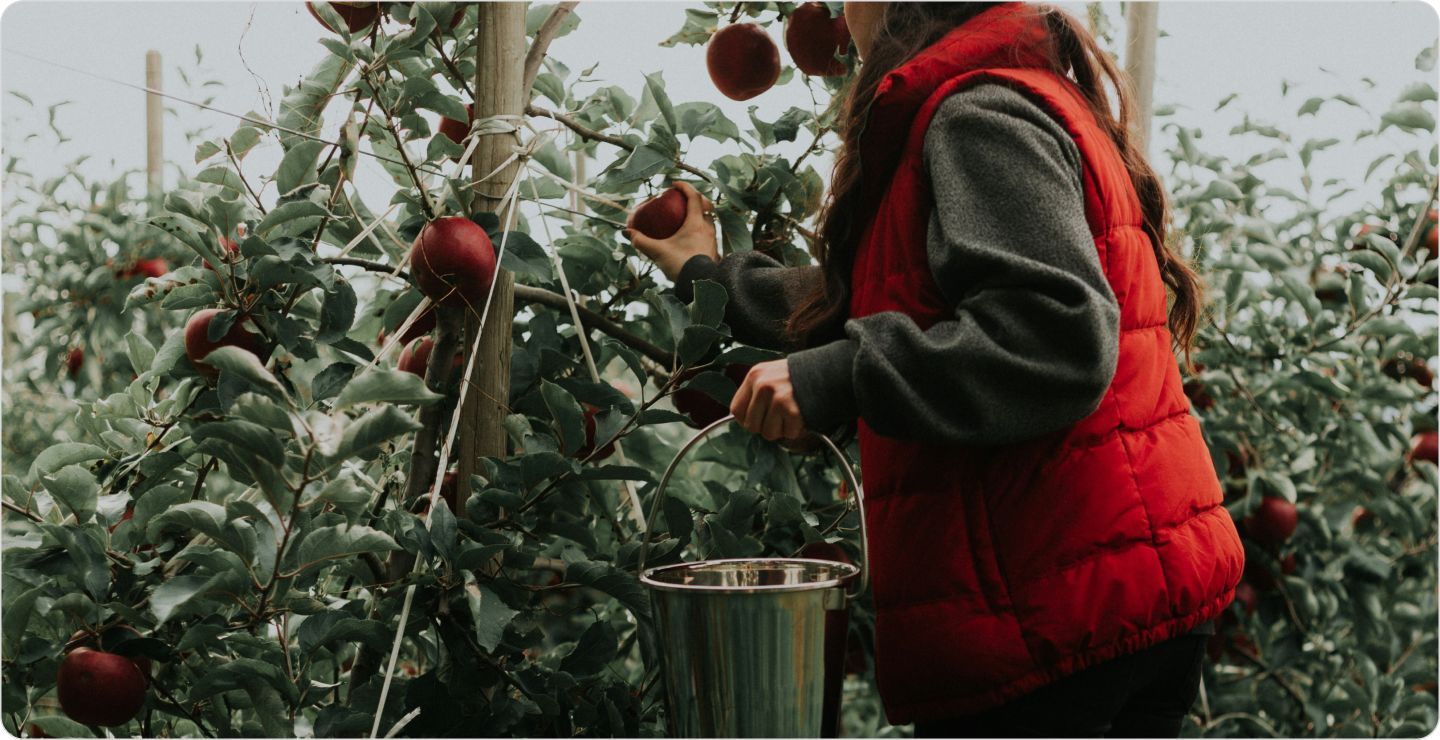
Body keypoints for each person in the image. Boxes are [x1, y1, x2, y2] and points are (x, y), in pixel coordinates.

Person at [628, 2, 1245, 736]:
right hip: (1092, 591)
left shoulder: (977, 111)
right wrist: (711, 277)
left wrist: (841, 377)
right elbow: (882, 301)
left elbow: (1055, 337)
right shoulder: (998, 93)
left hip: (1054, 616)